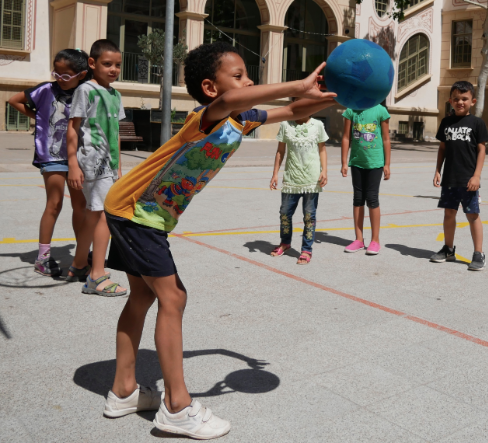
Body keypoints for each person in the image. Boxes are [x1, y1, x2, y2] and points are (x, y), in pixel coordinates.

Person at [101, 41, 336, 439]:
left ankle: (123, 391)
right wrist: (296, 82)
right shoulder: (206, 117)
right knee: (173, 298)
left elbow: (293, 111)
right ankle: (177, 407)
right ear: (211, 88)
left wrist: (330, 97)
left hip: (139, 210)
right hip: (136, 210)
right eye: (239, 75)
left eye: (248, 75)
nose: (249, 81)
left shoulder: (241, 119)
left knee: (142, 297)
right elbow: (238, 100)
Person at [7, 49, 90, 277]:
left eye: (66, 75)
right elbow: (13, 100)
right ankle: (42, 258)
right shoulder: (45, 89)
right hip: (52, 155)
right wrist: (40, 117)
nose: (59, 79)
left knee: (80, 206)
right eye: (57, 73)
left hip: (79, 157)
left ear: (81, 74)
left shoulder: (86, 93)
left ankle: (82, 253)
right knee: (54, 204)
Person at [65, 39, 127, 296]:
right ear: (92, 63)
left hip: (109, 165)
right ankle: (96, 276)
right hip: (92, 161)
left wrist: (120, 166)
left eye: (117, 65)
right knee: (104, 215)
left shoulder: (115, 94)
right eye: (107, 64)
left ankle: (80, 264)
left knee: (94, 214)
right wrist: (72, 164)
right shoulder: (85, 90)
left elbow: (116, 133)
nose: (113, 69)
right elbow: (73, 128)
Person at [430, 81, 487, 271]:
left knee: (472, 215)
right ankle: (448, 249)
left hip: (469, 179)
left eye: (464, 99)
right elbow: (442, 148)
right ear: (450, 101)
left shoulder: (477, 123)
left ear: (473, 101)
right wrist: (438, 170)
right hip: (450, 178)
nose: (460, 102)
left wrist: (477, 175)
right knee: (449, 213)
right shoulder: (446, 122)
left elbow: (481, 150)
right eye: (456, 99)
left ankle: (478, 253)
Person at [269, 97, 329, 264]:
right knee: (285, 214)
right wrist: (275, 174)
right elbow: (280, 151)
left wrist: (325, 171)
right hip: (291, 179)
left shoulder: (317, 125)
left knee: (309, 216)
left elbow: (322, 150)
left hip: (312, 179)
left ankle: (306, 250)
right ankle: (285, 243)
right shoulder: (285, 125)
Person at [340, 103, 391, 255]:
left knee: (372, 198)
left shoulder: (381, 110)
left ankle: (375, 240)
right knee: (358, 198)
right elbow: (346, 137)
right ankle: (359, 239)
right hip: (357, 162)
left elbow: (386, 139)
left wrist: (387, 164)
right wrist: (344, 162)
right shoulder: (351, 110)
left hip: (375, 163)